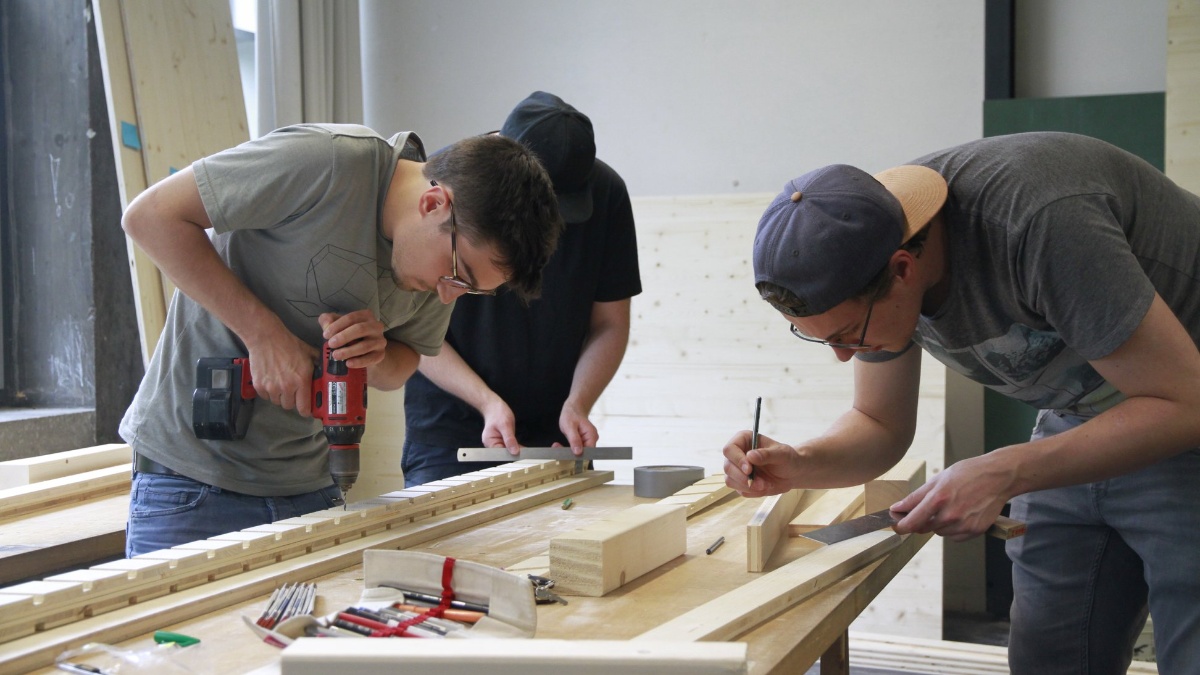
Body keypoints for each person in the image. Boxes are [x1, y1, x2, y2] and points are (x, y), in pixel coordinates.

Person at [724, 131, 1200, 674]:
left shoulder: (1038, 221)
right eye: (818, 336)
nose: (842, 355)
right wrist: (801, 463)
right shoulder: (866, 244)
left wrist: (1002, 470)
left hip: (1183, 402)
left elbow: (1183, 402)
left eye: (849, 333)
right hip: (1086, 414)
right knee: (1051, 654)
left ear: (903, 269)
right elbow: (879, 422)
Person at [119, 123, 562, 556]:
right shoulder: (325, 163)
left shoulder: (441, 266)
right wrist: (264, 334)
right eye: (457, 276)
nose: (450, 294)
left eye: (470, 289)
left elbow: (404, 363)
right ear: (432, 203)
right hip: (190, 485)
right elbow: (150, 217)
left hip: (309, 486)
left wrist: (377, 356)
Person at [402, 91, 641, 486]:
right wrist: (486, 402)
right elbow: (411, 328)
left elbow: (610, 324)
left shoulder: (605, 192)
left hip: (555, 433)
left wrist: (578, 404)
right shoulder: (446, 182)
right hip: (450, 430)